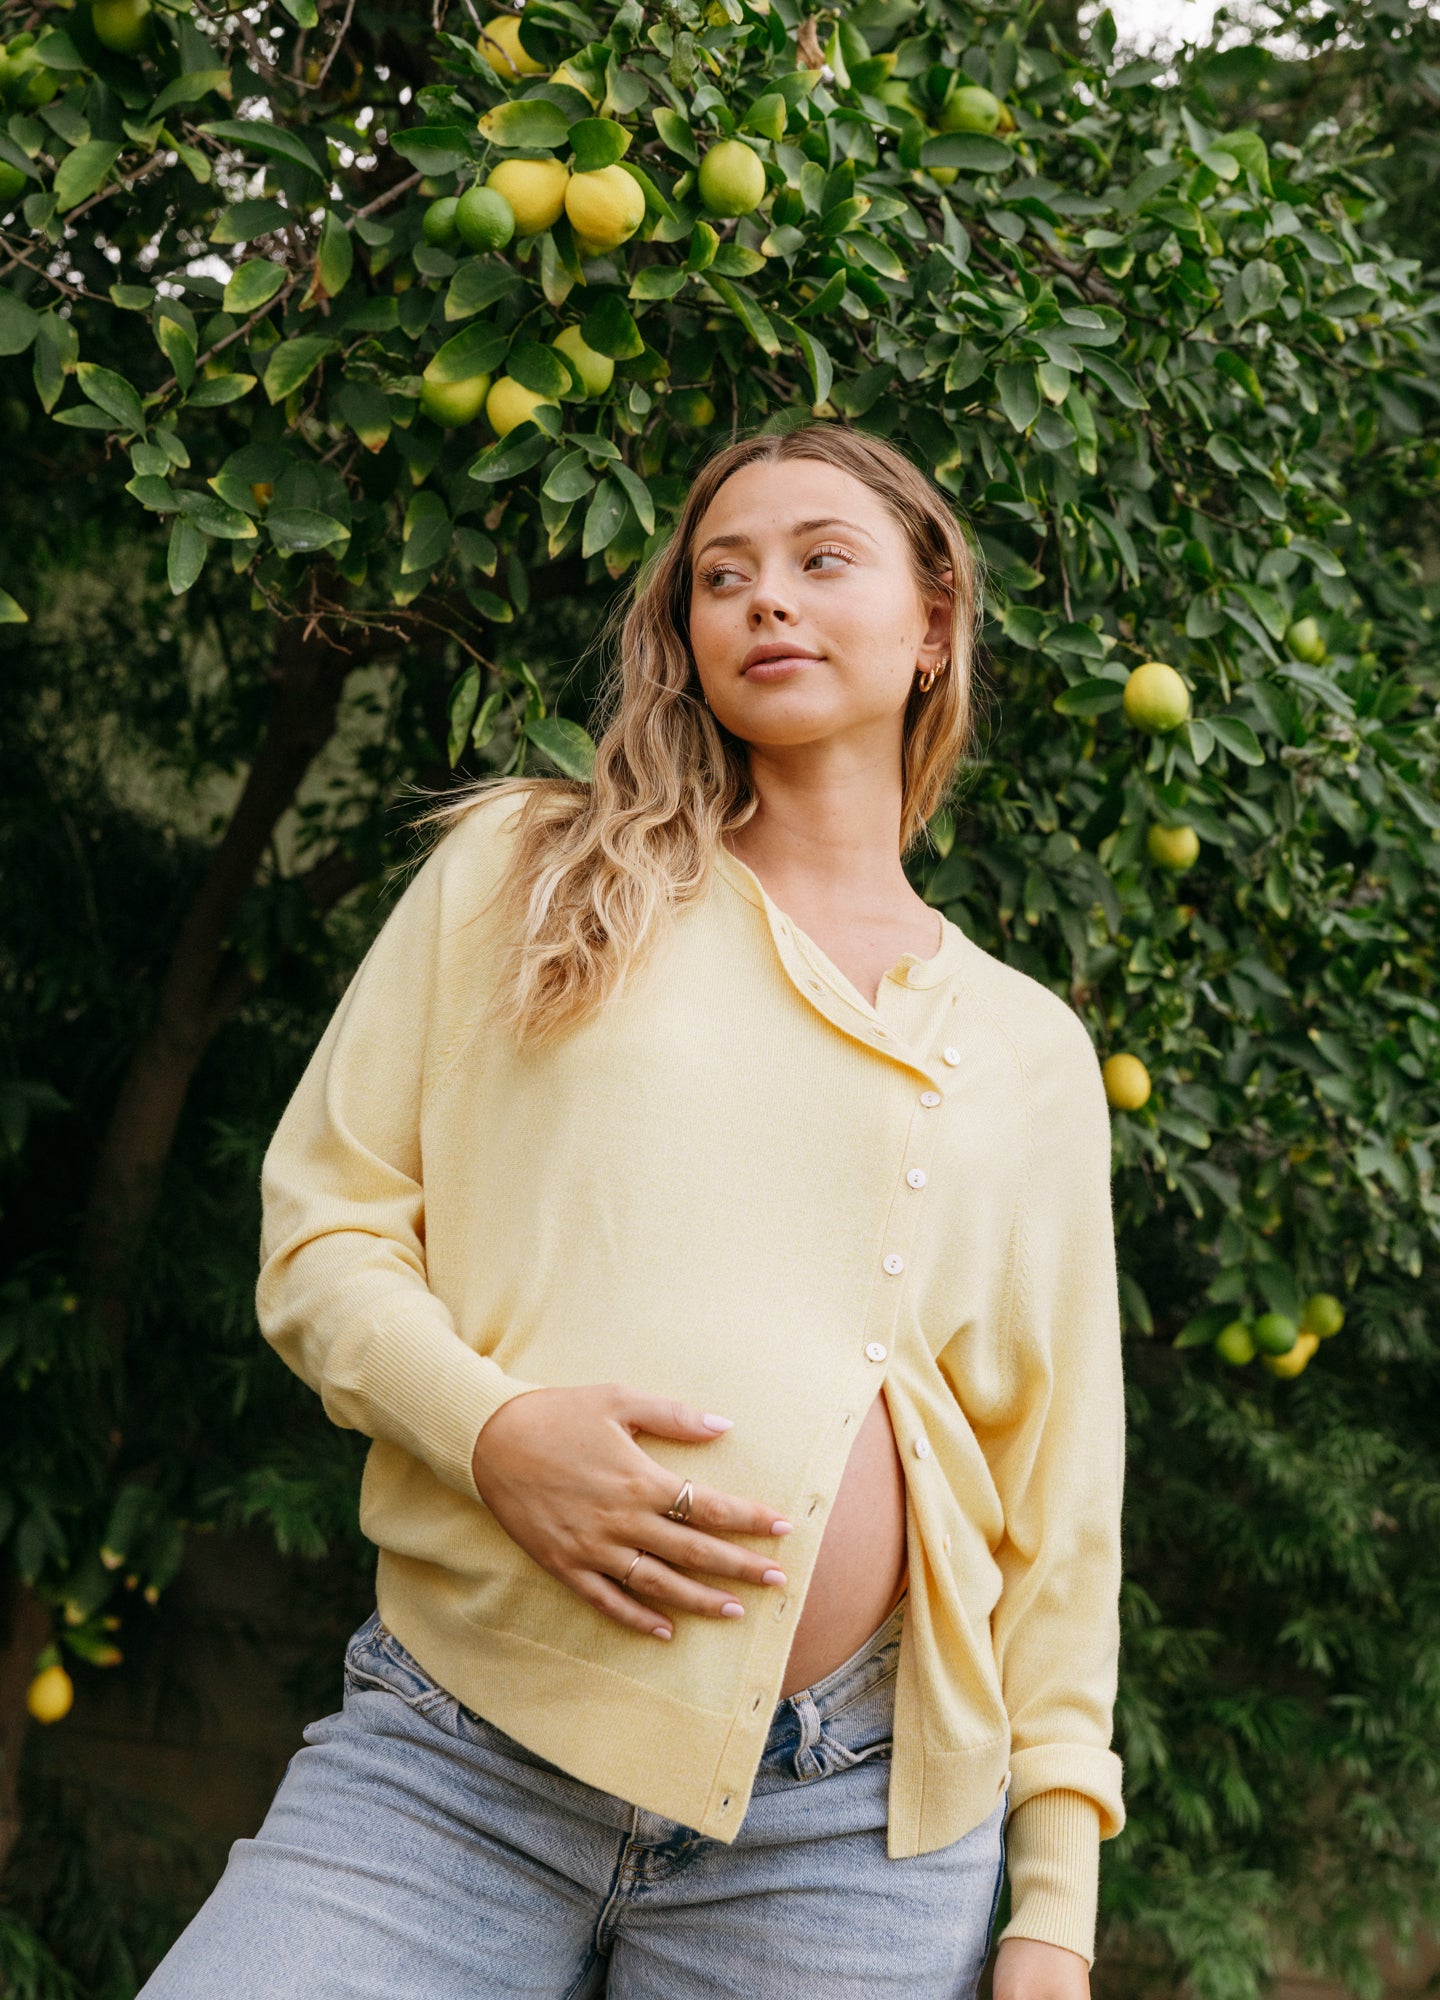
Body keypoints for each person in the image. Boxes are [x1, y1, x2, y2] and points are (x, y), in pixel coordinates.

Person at [138, 421, 1126, 2000]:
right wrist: (493, 1434)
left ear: (935, 621)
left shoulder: (1031, 1049)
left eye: (822, 561)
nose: (765, 603)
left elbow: (1059, 1508)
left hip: (850, 1841)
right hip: (457, 1760)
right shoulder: (532, 875)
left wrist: (1053, 1915)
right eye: (719, 577)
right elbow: (323, 1231)